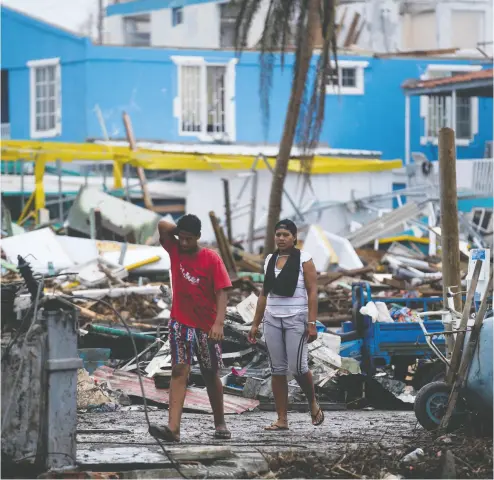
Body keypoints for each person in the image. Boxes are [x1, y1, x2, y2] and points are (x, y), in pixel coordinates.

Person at [148, 214, 232, 442]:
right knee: (179, 370)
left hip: (206, 325)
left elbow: (222, 291)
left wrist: (219, 323)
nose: (184, 243)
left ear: (198, 237)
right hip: (179, 323)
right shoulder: (175, 250)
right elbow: (162, 225)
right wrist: (181, 229)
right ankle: (173, 428)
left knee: (210, 372)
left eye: (189, 239)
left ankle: (220, 422)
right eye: (181, 238)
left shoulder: (211, 258)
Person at [248, 219, 324, 430]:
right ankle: (282, 419)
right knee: (277, 369)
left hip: (296, 318)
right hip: (272, 318)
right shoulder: (270, 259)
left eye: (285, 235)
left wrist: (312, 322)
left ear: (294, 237)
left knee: (298, 367)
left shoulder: (304, 259)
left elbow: (312, 292)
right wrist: (256, 323)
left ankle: (312, 402)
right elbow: (264, 292)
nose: (281, 238)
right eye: (278, 234)